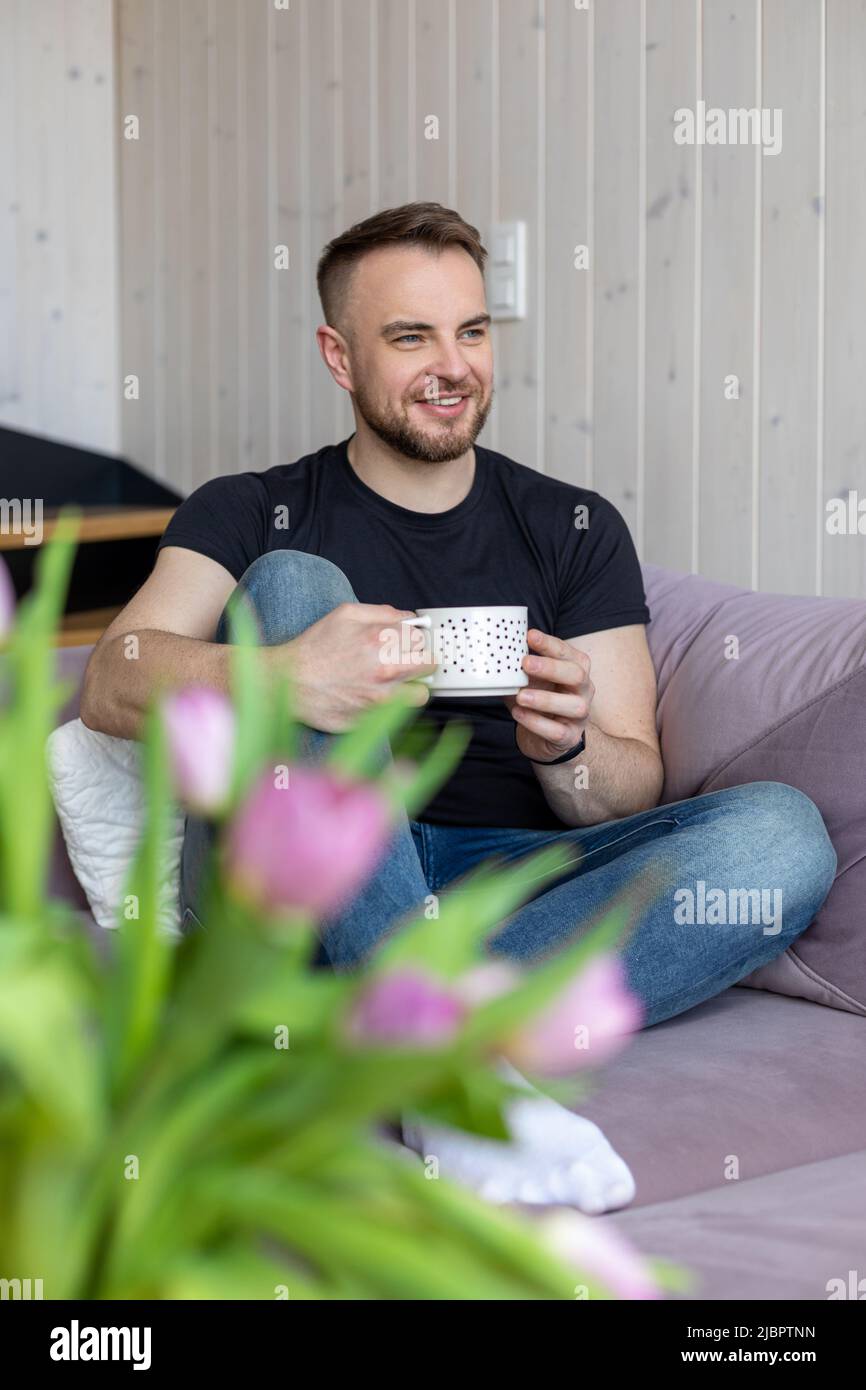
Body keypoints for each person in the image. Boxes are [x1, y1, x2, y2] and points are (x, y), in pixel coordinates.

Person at [81, 202, 837, 1212]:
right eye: (409, 337)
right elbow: (110, 678)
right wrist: (284, 675)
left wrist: (566, 748)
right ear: (338, 356)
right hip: (292, 880)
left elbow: (629, 783)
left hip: (505, 877)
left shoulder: (571, 527)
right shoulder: (249, 507)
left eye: (471, 331)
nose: (453, 365)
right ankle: (445, 1062)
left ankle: (375, 1029)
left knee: (779, 836)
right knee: (297, 580)